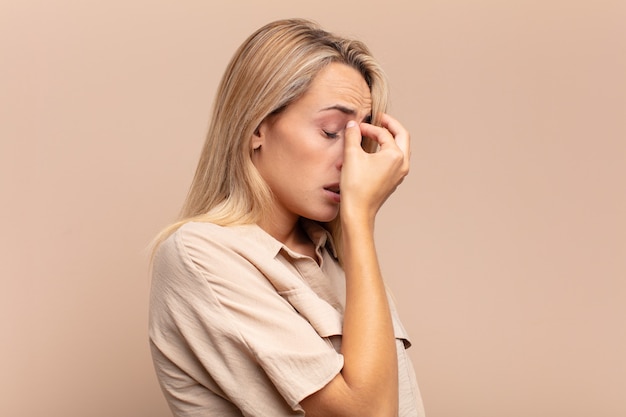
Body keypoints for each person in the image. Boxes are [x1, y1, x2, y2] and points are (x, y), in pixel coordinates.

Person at [149, 18, 425, 417]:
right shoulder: (198, 256)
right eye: (331, 132)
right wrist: (361, 220)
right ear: (256, 128)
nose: (352, 158)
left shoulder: (339, 259)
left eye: (358, 139)